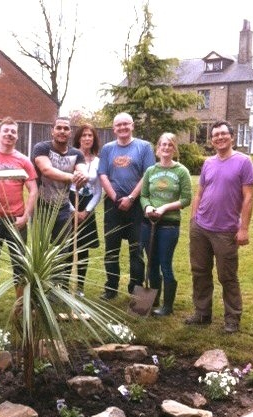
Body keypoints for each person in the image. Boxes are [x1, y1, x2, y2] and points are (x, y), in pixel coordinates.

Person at [185, 120, 253, 333]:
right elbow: (200, 192)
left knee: (227, 276)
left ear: (231, 137)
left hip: (226, 230)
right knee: (200, 271)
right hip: (201, 227)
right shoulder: (208, 163)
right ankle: (202, 313)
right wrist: (193, 219)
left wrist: (243, 228)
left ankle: (232, 318)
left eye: (224, 134)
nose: (219, 137)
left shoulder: (244, 162)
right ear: (212, 139)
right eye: (215, 135)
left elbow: (249, 197)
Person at [0, 117, 38, 313]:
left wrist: (26, 216)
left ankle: (20, 305)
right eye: (6, 131)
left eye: (13, 131)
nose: (9, 134)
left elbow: (34, 189)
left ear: (17, 136)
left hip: (16, 219)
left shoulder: (23, 160)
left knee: (19, 262)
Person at [98, 112, 156, 299]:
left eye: (126, 124)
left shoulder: (144, 147)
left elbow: (147, 175)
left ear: (132, 126)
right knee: (111, 250)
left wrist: (131, 198)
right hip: (112, 205)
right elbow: (103, 175)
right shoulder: (107, 149)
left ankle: (136, 289)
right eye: (118, 125)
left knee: (136, 250)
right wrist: (116, 199)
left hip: (137, 205)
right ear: (114, 128)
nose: (122, 127)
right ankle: (111, 288)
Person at [31, 116, 88, 288]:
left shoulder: (76, 154)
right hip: (42, 207)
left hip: (63, 209)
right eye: (59, 128)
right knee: (39, 250)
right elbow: (46, 170)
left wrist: (82, 176)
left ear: (70, 132)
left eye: (66, 128)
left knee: (62, 251)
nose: (62, 131)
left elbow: (83, 172)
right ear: (52, 130)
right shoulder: (42, 148)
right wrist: (72, 177)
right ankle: (38, 289)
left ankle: (59, 289)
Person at [139, 132, 192, 316]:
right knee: (151, 263)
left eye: (170, 145)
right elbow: (144, 195)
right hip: (149, 223)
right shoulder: (150, 171)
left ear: (174, 148)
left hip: (169, 225)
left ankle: (167, 307)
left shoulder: (181, 171)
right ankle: (152, 301)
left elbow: (186, 199)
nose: (166, 148)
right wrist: (147, 207)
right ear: (158, 148)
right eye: (163, 144)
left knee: (165, 264)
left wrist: (164, 208)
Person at [68, 124, 102, 296]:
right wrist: (73, 210)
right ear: (78, 138)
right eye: (84, 135)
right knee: (66, 247)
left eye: (91, 135)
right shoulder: (71, 157)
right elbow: (63, 187)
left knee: (83, 248)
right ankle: (62, 285)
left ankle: (80, 287)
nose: (87, 138)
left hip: (87, 207)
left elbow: (98, 191)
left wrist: (86, 211)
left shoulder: (98, 161)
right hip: (70, 203)